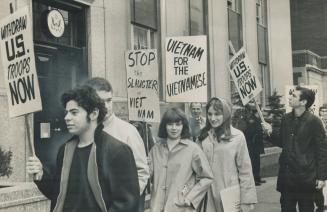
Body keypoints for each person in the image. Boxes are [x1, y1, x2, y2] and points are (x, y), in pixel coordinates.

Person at [26, 85, 139, 212]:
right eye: (66, 112)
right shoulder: (65, 150)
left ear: (94, 114)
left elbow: (126, 204)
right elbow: (58, 194)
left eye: (74, 112)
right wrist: (42, 175)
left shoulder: (117, 151)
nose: (67, 117)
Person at [85, 77, 150, 212]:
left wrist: (124, 203)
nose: (107, 106)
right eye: (101, 101)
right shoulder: (84, 132)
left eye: (109, 100)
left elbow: (142, 172)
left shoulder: (128, 132)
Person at [262, 86, 327, 212]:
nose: (289, 97)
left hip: (306, 178)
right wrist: (270, 132)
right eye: (291, 94)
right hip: (287, 178)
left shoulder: (314, 122)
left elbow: (322, 151)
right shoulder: (286, 118)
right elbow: (282, 141)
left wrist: (321, 177)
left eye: (294, 96)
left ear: (303, 102)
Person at [197, 97, 257, 212]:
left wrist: (246, 200)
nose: (213, 118)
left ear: (225, 114)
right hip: (207, 196)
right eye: (209, 114)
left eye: (217, 114)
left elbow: (245, 170)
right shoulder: (203, 136)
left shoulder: (237, 137)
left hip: (229, 195)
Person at [149, 107, 213, 212]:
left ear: (183, 126)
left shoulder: (193, 149)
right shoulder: (155, 149)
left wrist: (190, 198)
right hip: (157, 206)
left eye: (178, 124)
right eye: (170, 124)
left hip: (180, 207)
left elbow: (207, 177)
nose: (174, 128)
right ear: (164, 126)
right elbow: (147, 175)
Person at [244, 105, 266, 186]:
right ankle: (253, 179)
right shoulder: (252, 120)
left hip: (257, 144)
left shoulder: (257, 119)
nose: (262, 112)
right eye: (261, 111)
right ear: (257, 111)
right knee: (253, 162)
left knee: (257, 162)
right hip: (253, 145)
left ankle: (257, 178)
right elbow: (249, 132)